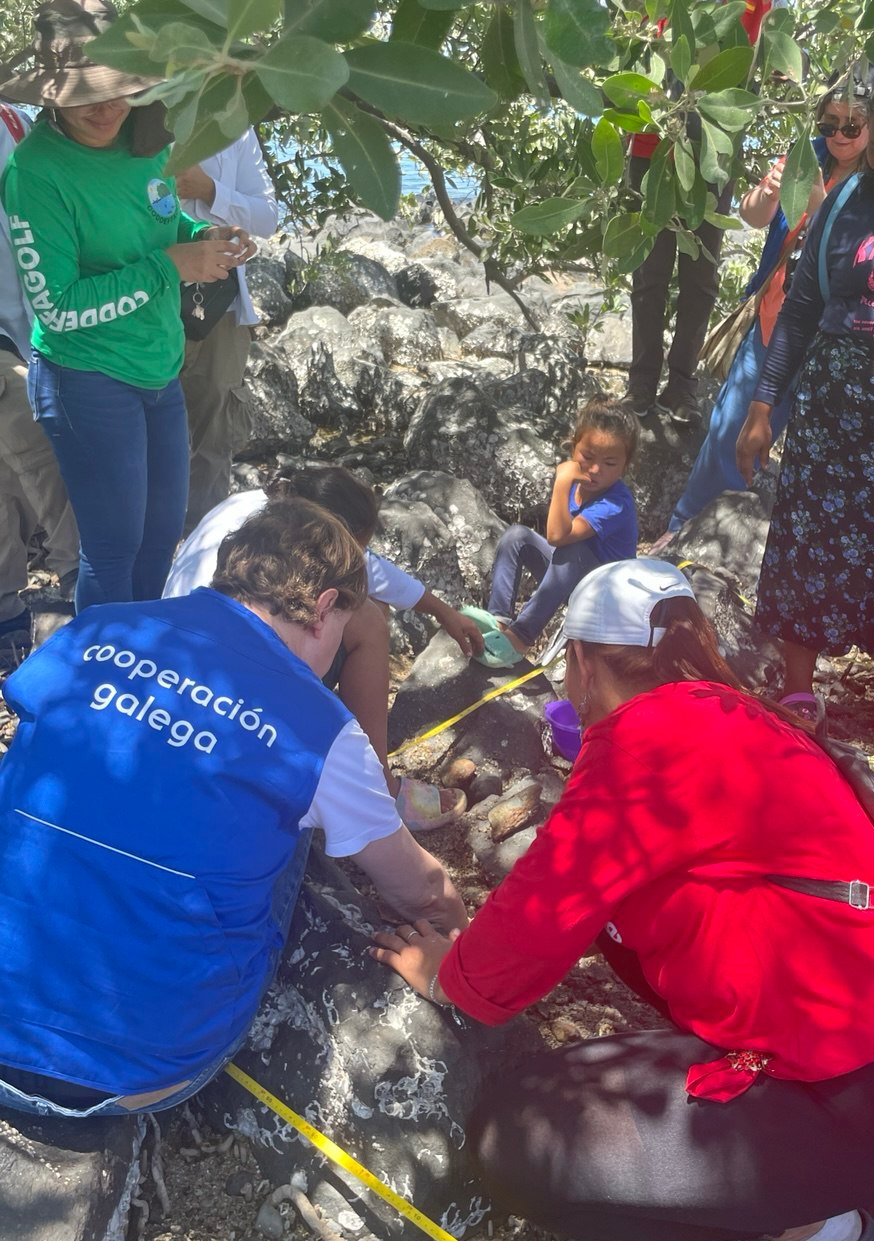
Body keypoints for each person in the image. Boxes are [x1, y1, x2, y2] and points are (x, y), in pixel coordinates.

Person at [372, 558, 874, 1241]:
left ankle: (807, 1229)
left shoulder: (639, 741)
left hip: (846, 1091)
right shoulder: (734, 709)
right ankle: (838, 1178)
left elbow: (535, 920)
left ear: (584, 663)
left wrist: (446, 976)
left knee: (513, 1134)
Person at [0, 497, 467, 1117]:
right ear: (326, 606)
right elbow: (415, 889)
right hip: (138, 1069)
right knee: (295, 825)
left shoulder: (97, 628)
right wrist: (457, 932)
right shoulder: (320, 727)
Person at [737, 57, 874, 764]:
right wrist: (763, 403)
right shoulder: (849, 197)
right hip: (838, 413)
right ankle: (800, 691)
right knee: (810, 537)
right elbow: (802, 310)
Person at [0, 0, 254, 612]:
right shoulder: (36, 171)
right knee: (112, 547)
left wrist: (205, 242)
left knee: (159, 538)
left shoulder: (146, 140)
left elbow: (162, 229)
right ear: (51, 92)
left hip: (156, 368)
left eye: (121, 89)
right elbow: (56, 309)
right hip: (86, 380)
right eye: (88, 95)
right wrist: (170, 270)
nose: (108, 108)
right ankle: (105, 673)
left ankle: (140, 657)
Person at [163, 465, 484, 830]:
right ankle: (377, 788)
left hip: (178, 673)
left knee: (366, 598)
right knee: (367, 616)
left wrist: (444, 612)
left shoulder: (260, 509)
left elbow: (374, 572)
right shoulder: (303, 539)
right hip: (237, 702)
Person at [654, 68, 874, 547]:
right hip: (776, 314)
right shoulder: (806, 156)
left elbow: (859, 252)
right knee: (730, 426)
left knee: (811, 447)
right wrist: (772, 190)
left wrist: (819, 206)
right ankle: (683, 529)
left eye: (851, 126)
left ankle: (752, 540)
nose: (838, 135)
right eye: (828, 124)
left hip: (834, 337)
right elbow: (754, 216)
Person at [623, 1, 772, 425]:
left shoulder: (757, 4)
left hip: (713, 152)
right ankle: (642, 384)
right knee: (649, 274)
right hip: (652, 149)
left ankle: (682, 387)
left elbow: (760, 58)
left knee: (700, 276)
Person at [0, 99, 78, 650]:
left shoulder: (16, 120)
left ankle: (8, 617)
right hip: (6, 344)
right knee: (48, 460)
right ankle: (90, 592)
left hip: (36, 333)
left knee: (10, 487)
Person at [177, 129, 278, 532]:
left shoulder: (234, 123)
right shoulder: (131, 107)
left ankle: (203, 550)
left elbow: (267, 217)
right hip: (149, 299)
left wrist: (210, 191)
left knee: (214, 439)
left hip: (219, 307)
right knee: (141, 434)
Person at [486, 396, 638, 660]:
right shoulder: (579, 485)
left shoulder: (616, 502)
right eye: (587, 456)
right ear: (573, 447)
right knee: (516, 536)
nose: (594, 469)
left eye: (610, 463)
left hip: (604, 599)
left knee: (573, 548)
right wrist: (567, 486)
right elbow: (554, 536)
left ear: (625, 466)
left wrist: (561, 483)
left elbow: (557, 537)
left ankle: (521, 637)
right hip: (574, 582)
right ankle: (496, 621)